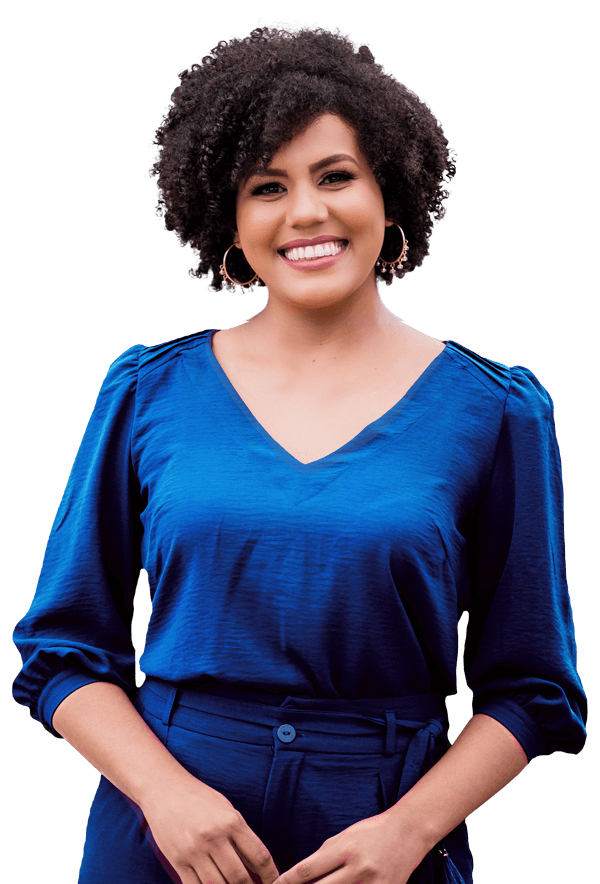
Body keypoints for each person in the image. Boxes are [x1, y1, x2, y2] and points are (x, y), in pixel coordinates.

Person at [12, 21, 587, 884]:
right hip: (162, 836)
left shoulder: (497, 412)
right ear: (229, 219)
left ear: (390, 193)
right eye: (267, 186)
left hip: (383, 839)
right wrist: (165, 797)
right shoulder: (146, 391)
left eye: (336, 176)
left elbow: (535, 690)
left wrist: (407, 832)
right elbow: (63, 653)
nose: (306, 212)